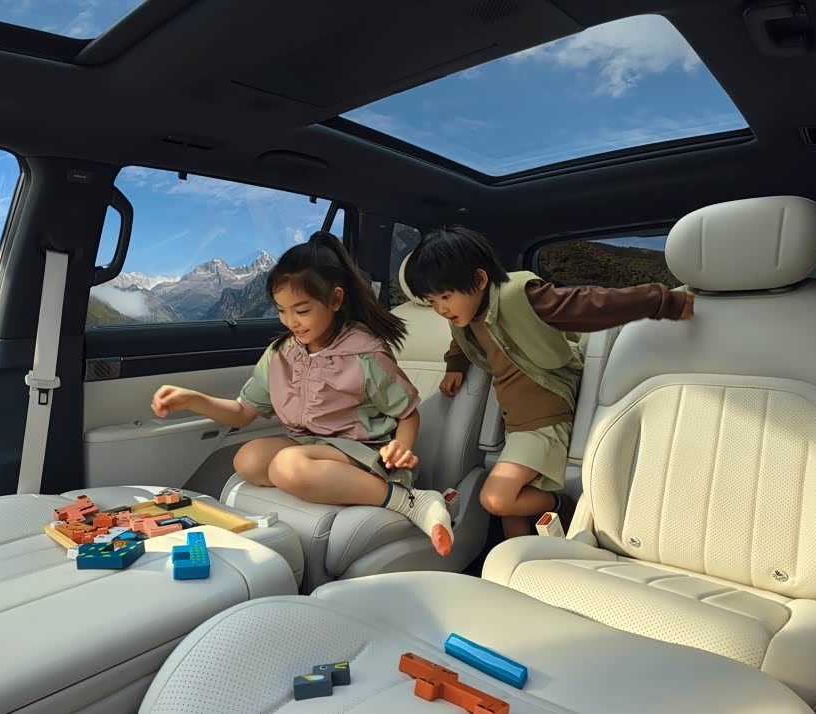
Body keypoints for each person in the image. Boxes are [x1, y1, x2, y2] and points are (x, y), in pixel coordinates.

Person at [151, 231, 454, 556]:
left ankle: (411, 501)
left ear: (335, 300)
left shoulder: (364, 354)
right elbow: (242, 413)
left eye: (302, 310)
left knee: (286, 466)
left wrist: (401, 448)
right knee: (247, 459)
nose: (291, 322)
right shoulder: (281, 354)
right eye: (282, 311)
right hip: (313, 445)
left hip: (365, 451)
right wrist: (192, 400)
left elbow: (407, 413)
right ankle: (314, 478)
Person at [403, 226, 694, 538]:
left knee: (496, 499)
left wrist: (662, 301)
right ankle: (518, 558)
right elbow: (460, 342)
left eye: (446, 296)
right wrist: (455, 366)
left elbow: (589, 303)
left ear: (480, 280)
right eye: (432, 301)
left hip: (545, 418)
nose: (441, 309)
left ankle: (560, 503)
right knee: (511, 512)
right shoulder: (466, 316)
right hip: (517, 421)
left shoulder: (520, 297)